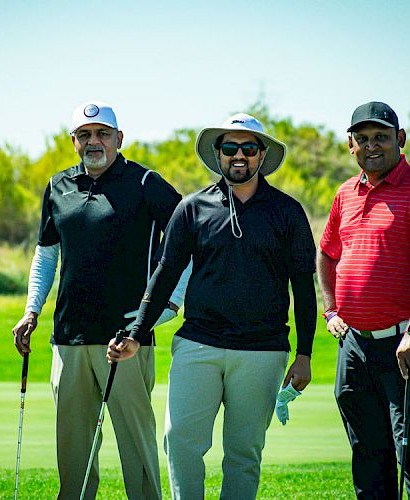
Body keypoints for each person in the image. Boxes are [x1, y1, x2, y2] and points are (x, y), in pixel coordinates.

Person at [108, 113, 317, 499]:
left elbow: (304, 287)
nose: (239, 156)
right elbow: (165, 273)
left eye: (248, 148)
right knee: (180, 441)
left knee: (243, 453)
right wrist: (137, 333)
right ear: (218, 154)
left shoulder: (287, 213)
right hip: (198, 344)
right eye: (230, 148)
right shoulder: (192, 208)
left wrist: (304, 354)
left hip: (263, 350)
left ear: (261, 154)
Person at [12, 101, 188, 500]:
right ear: (73, 141)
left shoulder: (145, 184)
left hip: (127, 338)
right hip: (69, 337)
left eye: (103, 133)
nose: (95, 141)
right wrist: (31, 310)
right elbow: (47, 254)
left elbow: (187, 239)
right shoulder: (58, 186)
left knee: (137, 450)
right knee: (73, 455)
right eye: (85, 135)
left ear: (119, 139)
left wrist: (170, 304)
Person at [317, 101, 410, 498]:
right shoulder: (346, 193)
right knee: (368, 456)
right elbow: (327, 253)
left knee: (408, 450)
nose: (372, 146)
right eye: (363, 139)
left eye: (381, 138)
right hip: (354, 346)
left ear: (400, 140)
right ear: (350, 145)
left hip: (403, 345)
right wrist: (331, 308)